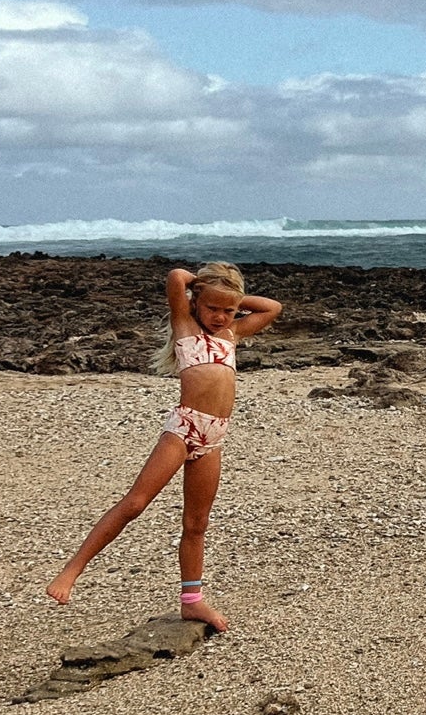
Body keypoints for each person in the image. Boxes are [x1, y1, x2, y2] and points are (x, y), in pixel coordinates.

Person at [46, 262, 282, 628]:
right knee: (136, 503)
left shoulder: (232, 334)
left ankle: (192, 601)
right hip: (184, 428)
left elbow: (273, 307)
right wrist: (201, 290)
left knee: (196, 523)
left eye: (228, 310)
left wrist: (229, 297)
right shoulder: (184, 325)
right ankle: (72, 571)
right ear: (195, 303)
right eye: (212, 307)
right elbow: (176, 277)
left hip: (215, 436)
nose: (220, 316)